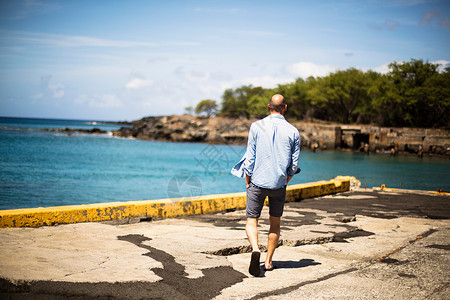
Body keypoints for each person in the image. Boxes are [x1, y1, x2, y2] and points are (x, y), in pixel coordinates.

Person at [231, 94, 301, 277]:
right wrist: (286, 180)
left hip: (257, 181)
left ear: (269, 107)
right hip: (279, 184)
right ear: (285, 108)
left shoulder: (256, 126)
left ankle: (255, 249)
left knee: (251, 220)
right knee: (275, 223)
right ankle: (268, 262)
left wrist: (247, 177)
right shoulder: (293, 131)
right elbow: (293, 165)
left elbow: (250, 156)